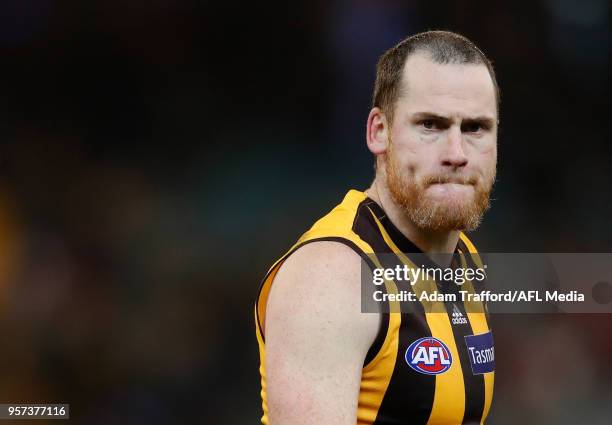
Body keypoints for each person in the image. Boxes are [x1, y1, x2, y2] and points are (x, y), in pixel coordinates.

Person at [255, 30, 499, 425]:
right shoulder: (334, 276)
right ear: (379, 132)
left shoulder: (464, 258)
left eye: (475, 128)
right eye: (430, 125)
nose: (456, 154)